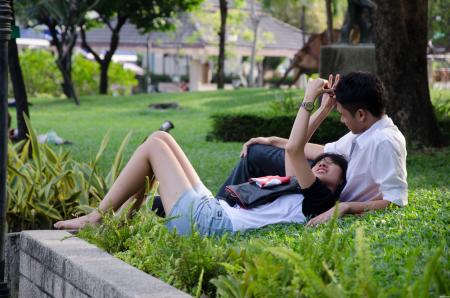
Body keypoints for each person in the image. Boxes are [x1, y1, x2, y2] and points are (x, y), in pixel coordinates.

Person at [54, 78, 348, 235]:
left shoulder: (319, 200)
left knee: (154, 147)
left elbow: (295, 148)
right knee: (161, 138)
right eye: (323, 160)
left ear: (337, 188)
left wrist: (307, 98)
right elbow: (294, 148)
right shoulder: (300, 187)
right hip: (214, 211)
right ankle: (120, 220)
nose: (324, 162)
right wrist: (323, 111)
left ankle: (97, 218)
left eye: (333, 167)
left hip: (210, 225)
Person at [215, 71, 408, 226]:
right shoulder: (365, 132)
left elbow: (395, 202)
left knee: (256, 154)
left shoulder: (385, 142)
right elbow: (322, 152)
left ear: (360, 114)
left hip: (324, 194)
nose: (341, 120)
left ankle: (218, 209)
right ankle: (222, 206)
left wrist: (347, 207)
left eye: (342, 114)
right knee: (258, 150)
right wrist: (275, 141)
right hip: (324, 184)